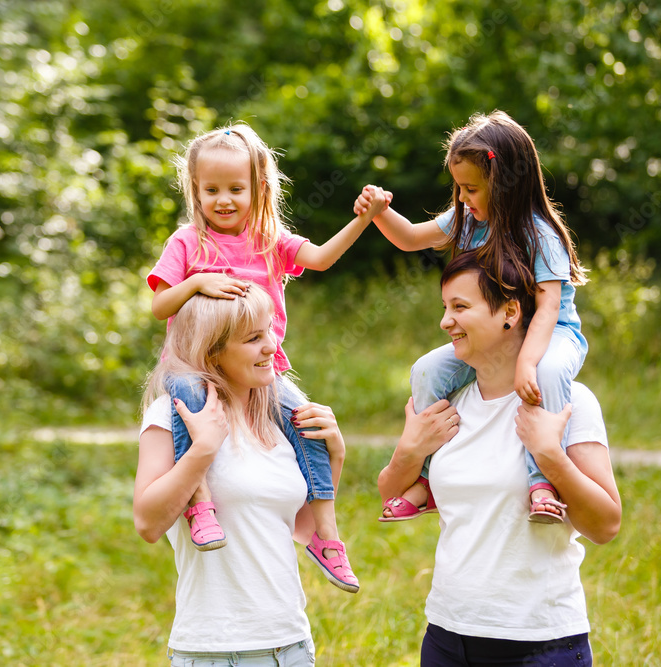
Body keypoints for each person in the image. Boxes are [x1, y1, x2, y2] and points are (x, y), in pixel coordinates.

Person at [148, 122, 385, 591]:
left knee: (307, 421)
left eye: (236, 189)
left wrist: (363, 219)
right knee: (186, 402)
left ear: (258, 189)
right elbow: (159, 305)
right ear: (195, 190)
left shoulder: (269, 241)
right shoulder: (187, 242)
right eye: (211, 189)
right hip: (193, 364)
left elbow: (318, 258)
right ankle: (199, 504)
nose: (223, 200)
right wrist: (196, 283)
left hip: (263, 369)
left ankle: (325, 533)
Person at [377, 250, 622, 666]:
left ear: (509, 311)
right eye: (444, 308)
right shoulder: (446, 403)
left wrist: (551, 457)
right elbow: (389, 492)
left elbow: (606, 525)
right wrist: (410, 450)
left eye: (460, 307)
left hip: (540, 642)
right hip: (447, 638)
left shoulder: (569, 404)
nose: (445, 322)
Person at [356, 110, 588, 523]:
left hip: (549, 335)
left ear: (504, 186)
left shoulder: (539, 235)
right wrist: (377, 211)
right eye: (459, 188)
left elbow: (548, 308)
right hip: (493, 337)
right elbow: (409, 237)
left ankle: (541, 483)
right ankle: (426, 480)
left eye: (471, 189)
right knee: (427, 371)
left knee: (549, 376)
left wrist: (528, 363)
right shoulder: (468, 222)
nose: (462, 198)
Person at [135, 285, 351, 665]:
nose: (271, 346)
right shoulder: (172, 415)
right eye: (253, 338)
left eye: (269, 331)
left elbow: (300, 530)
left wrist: (335, 455)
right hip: (211, 651)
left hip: (291, 647)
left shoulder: (279, 422)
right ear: (212, 350)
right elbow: (148, 523)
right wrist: (202, 449)